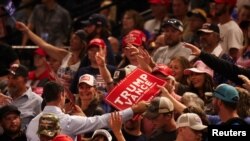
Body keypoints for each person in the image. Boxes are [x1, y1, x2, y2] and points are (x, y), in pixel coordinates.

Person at [26, 81, 148, 141]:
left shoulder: (31, 124)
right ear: (62, 95)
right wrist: (133, 109)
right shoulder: (67, 121)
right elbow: (102, 120)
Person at [16, 21, 88, 89]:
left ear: (83, 43)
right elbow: (43, 45)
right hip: (59, 93)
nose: (71, 40)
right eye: (71, 38)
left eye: (75, 38)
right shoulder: (64, 55)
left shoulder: (85, 61)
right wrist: (27, 30)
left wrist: (73, 80)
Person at [0, 64, 42, 128]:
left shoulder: (37, 101)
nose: (10, 82)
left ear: (25, 80)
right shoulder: (2, 97)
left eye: (14, 78)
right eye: (9, 78)